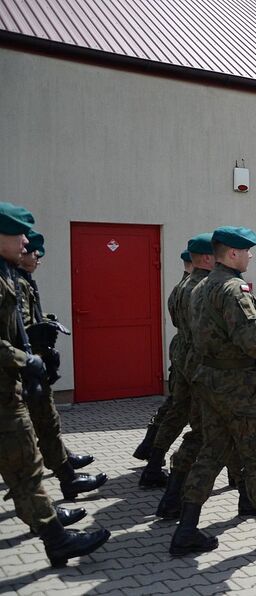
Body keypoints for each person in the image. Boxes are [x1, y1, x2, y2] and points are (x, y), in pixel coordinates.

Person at [170, 226, 256, 555]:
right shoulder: (233, 288)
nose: (251, 256)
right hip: (237, 385)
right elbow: (250, 338)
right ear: (232, 254)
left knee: (211, 452)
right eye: (247, 251)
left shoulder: (201, 286)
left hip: (210, 381)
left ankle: (186, 528)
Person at [0, 202, 109, 567]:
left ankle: (52, 525)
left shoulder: (8, 274)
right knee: (24, 467)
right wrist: (25, 359)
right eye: (19, 234)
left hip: (10, 388)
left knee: (24, 465)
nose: (26, 243)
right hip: (4, 393)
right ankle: (54, 533)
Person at [154, 233, 249, 519]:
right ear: (208, 258)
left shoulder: (184, 288)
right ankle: (177, 500)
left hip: (192, 364)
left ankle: (245, 493)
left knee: (213, 432)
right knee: (210, 433)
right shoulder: (207, 288)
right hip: (211, 369)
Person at [17, 230, 107, 498]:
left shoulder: (21, 280)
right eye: (34, 253)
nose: (38, 259)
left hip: (27, 366)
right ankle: (65, 478)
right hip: (22, 368)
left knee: (44, 421)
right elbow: (16, 326)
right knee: (40, 424)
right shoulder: (15, 282)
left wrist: (44, 319)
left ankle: (65, 469)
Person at [133, 248, 194, 462]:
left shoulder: (178, 289)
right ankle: (154, 456)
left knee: (175, 404)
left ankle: (149, 447)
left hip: (180, 351)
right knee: (180, 408)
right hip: (191, 354)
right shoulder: (194, 288)